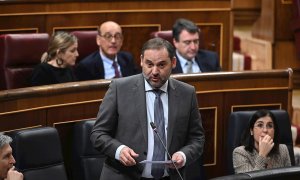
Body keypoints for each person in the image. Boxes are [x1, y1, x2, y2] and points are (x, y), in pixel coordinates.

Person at [90, 37, 205, 180]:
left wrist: (183, 155)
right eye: (149, 64)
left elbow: (197, 138)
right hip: (125, 175)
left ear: (173, 62)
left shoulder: (187, 93)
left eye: (161, 65)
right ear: (141, 61)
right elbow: (98, 134)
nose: (154, 71)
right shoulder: (120, 89)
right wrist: (119, 151)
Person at [233, 109, 291, 174]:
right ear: (251, 131)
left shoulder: (283, 149)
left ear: (274, 131)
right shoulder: (240, 153)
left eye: (270, 126)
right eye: (260, 125)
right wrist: (262, 154)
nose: (265, 130)